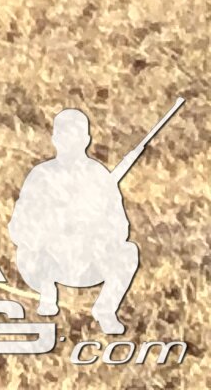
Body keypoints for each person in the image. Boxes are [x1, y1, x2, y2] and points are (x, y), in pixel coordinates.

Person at [12, 110, 142, 335]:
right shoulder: (40, 175)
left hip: (89, 262)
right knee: (31, 251)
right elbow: (19, 225)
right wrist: (52, 227)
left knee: (128, 252)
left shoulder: (100, 176)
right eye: (64, 137)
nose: (69, 144)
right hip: (49, 260)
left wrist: (94, 228)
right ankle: (47, 292)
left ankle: (106, 309)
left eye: (76, 137)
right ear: (55, 139)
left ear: (86, 140)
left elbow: (120, 225)